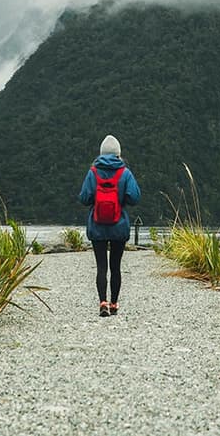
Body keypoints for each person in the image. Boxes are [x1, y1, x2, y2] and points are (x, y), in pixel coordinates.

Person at [78, 134, 140, 317]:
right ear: (119, 153)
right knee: (116, 267)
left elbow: (84, 198)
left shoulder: (93, 172)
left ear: (101, 153)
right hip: (119, 226)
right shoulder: (125, 173)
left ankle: (102, 302)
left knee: (101, 267)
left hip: (97, 226)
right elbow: (135, 197)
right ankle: (114, 304)